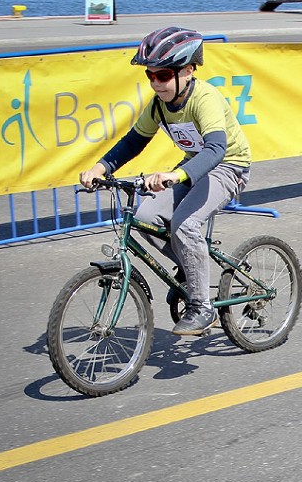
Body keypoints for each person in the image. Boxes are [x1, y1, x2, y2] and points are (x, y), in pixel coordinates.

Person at [79, 27, 252, 336]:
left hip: (229, 167)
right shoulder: (159, 106)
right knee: (145, 216)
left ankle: (202, 307)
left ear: (187, 70)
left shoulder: (204, 98)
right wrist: (100, 167)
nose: (156, 83)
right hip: (192, 166)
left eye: (163, 75)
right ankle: (191, 269)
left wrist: (175, 175)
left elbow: (215, 149)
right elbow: (133, 141)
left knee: (185, 225)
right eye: (150, 76)